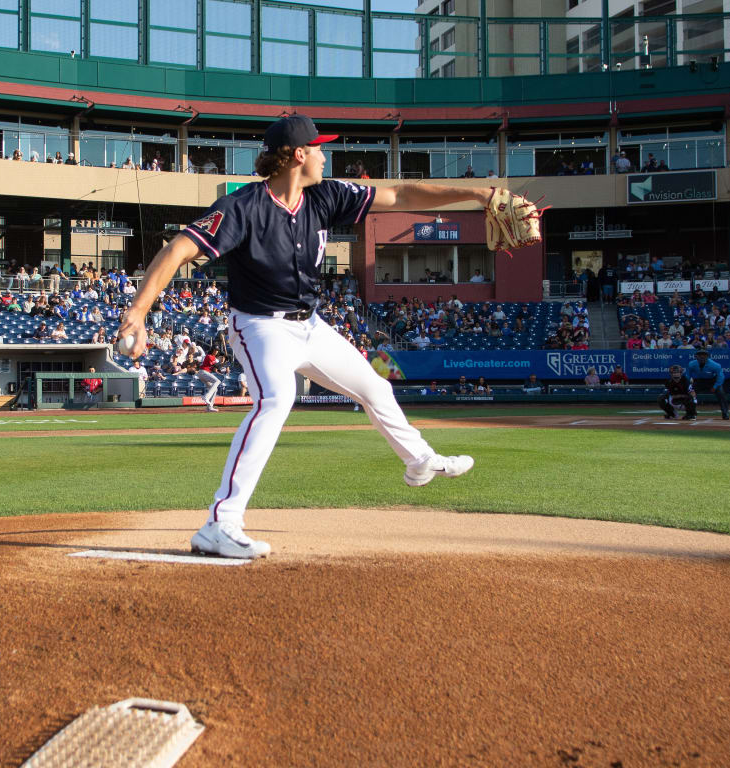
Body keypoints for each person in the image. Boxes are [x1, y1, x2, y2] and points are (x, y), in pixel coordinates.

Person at [115, 114, 478, 559]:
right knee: (276, 399)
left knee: (375, 386)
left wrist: (477, 194)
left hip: (309, 325)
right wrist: (138, 312)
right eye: (320, 147)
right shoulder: (243, 207)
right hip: (259, 325)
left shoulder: (324, 196)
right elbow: (180, 248)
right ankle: (220, 522)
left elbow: (399, 193)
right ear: (298, 155)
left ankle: (420, 460)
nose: (327, 155)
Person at [685, 348, 729, 419]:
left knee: (721, 393)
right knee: (689, 393)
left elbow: (721, 377)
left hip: (712, 381)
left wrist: (715, 386)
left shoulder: (715, 365)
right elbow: (687, 376)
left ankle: (725, 413)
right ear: (696, 356)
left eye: (704, 355)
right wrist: (689, 386)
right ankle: (690, 413)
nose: (702, 357)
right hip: (699, 381)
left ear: (708, 356)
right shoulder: (691, 364)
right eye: (700, 355)